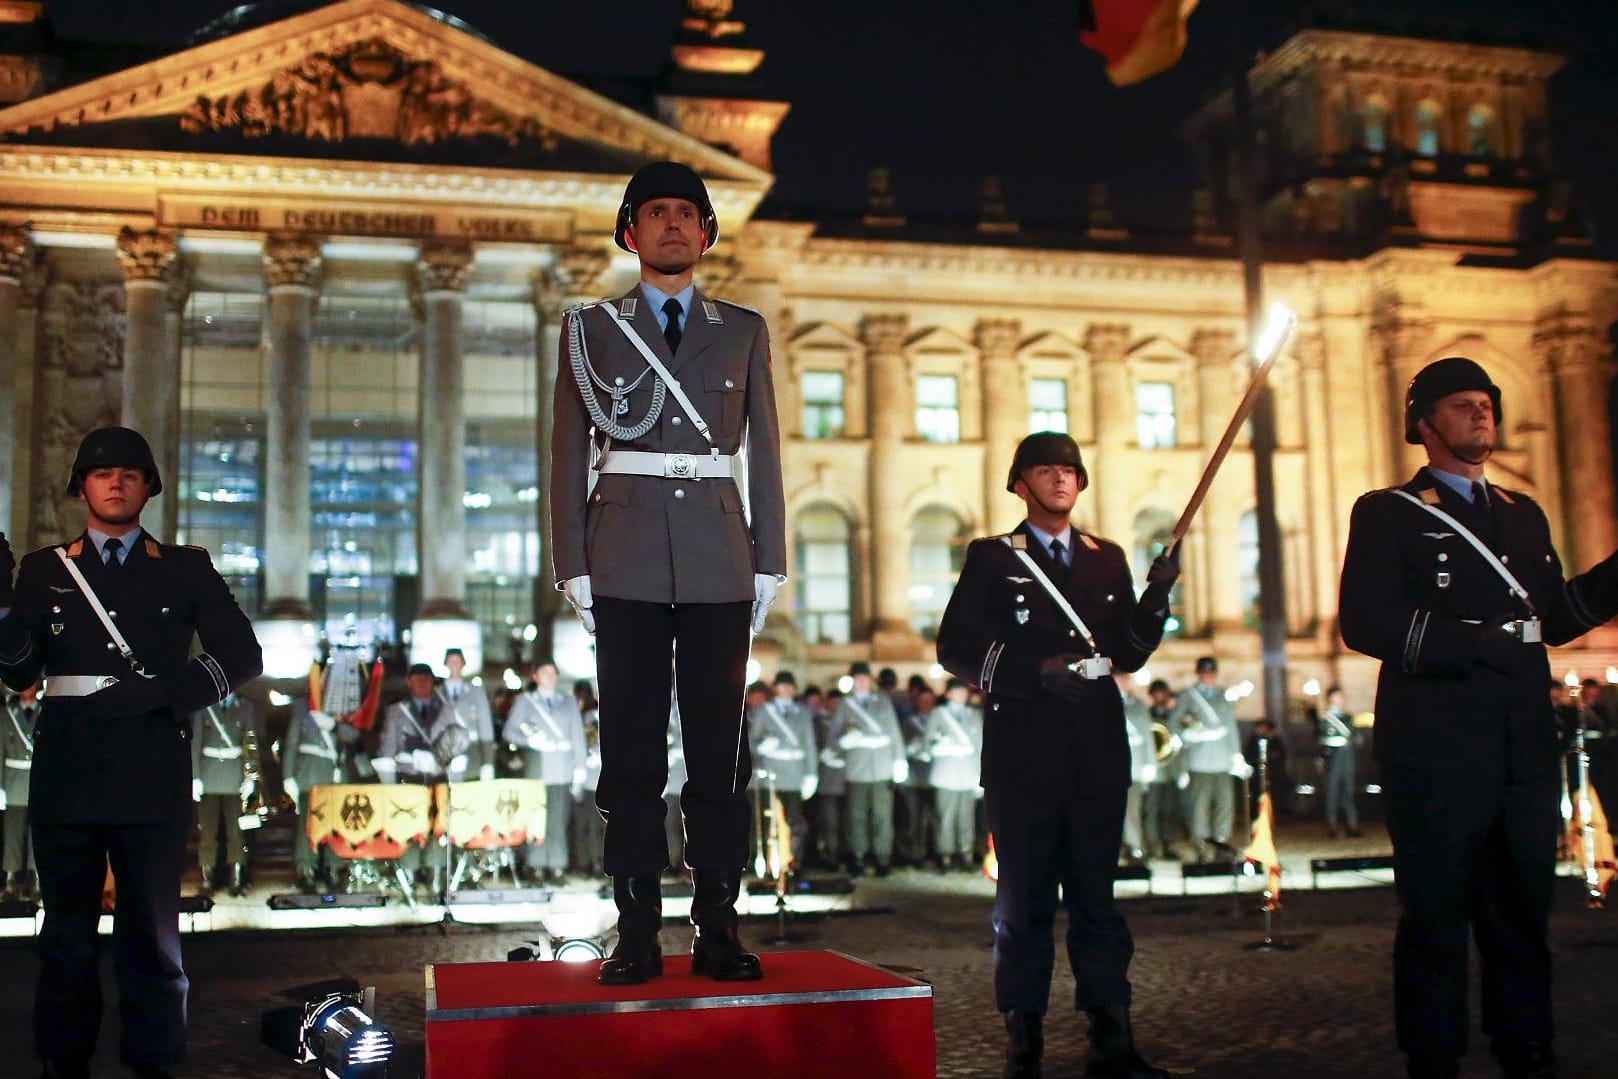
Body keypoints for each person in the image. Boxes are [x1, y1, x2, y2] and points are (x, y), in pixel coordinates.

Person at [1339, 356, 1618, 1079]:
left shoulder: (1524, 514)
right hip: (1435, 747)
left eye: (1487, 403)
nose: (1481, 414)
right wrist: (1476, 641)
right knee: (1435, 916)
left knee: (1522, 913)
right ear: (1425, 424)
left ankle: (1525, 1047)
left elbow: (1555, 616)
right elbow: (1364, 621)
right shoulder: (1389, 511)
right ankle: (1433, 1056)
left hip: (1520, 745)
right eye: (1463, 405)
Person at [551, 160, 785, 985]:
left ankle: (717, 924)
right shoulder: (590, 331)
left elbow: (765, 451)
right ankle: (638, 927)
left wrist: (770, 556)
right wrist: (570, 560)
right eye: (657, 213)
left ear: (708, 232)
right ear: (630, 233)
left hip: (720, 557)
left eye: (688, 213)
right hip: (625, 556)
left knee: (721, 754)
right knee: (632, 753)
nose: (674, 225)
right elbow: (566, 452)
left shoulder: (745, 328)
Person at [0, 426, 262, 1079]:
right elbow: (19, 670)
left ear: (149, 486)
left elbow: (243, 654)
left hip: (150, 768)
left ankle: (155, 1062)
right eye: (100, 472)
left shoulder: (185, 566)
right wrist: (2, 608)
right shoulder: (43, 569)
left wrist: (163, 693)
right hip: (68, 769)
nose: (115, 481)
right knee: (65, 937)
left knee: (152, 940)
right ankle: (66, 1062)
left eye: (129, 472)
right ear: (81, 487)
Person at [936, 431, 1179, 1079]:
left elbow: (1127, 652)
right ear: (1020, 483)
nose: (1061, 478)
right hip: (1023, 754)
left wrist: (1155, 600)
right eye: (1046, 469)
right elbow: (956, 647)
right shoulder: (993, 557)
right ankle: (1025, 1041)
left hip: (1097, 752)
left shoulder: (1107, 557)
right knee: (1023, 903)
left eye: (1070, 469)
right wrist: (1033, 670)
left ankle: (1112, 1037)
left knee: (1099, 902)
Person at [375, 663, 465, 893]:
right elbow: (386, 748)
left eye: (426, 679)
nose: (422, 683)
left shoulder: (447, 709)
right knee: (409, 826)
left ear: (433, 682)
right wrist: (388, 785)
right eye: (417, 679)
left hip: (437, 776)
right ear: (409, 682)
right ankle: (410, 875)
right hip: (409, 777)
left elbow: (456, 742)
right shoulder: (397, 711)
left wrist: (454, 769)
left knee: (438, 826)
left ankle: (435, 874)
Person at [500, 659, 586, 885]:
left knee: (559, 819)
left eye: (553, 672)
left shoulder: (568, 702)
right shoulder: (525, 701)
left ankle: (557, 866)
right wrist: (530, 740)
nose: (550, 676)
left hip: (562, 769)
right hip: (537, 768)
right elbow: (509, 732)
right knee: (536, 818)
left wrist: (580, 767)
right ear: (536, 677)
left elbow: (578, 736)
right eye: (544, 672)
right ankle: (536, 866)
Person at [1167, 657, 1250, 863]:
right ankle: (1201, 845)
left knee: (1224, 805)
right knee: (1200, 807)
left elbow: (1230, 727)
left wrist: (1236, 755)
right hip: (1199, 760)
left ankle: (1221, 842)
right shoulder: (1188, 696)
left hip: (1222, 760)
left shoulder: (1222, 696)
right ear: (1199, 674)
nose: (1209, 678)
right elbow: (1174, 723)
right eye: (1205, 674)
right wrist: (1188, 736)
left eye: (1212, 674)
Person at [833, 661, 905, 876]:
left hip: (882, 769)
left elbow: (894, 732)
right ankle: (858, 856)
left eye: (865, 679)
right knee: (856, 817)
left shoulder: (882, 702)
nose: (862, 682)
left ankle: (882, 858)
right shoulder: (845, 705)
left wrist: (899, 760)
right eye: (858, 679)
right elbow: (833, 737)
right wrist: (844, 741)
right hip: (856, 770)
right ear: (853, 681)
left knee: (882, 817)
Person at [189, 692, 262, 897]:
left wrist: (251, 778)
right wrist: (194, 777)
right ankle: (208, 878)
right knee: (207, 830)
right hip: (208, 775)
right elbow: (195, 744)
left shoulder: (245, 707)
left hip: (235, 776)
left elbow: (251, 744)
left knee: (235, 831)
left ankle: (236, 877)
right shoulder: (204, 706)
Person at [747, 670, 817, 873]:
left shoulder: (802, 713)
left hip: (795, 773)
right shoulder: (763, 711)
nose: (785, 689)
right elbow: (751, 741)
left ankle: (793, 859)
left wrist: (811, 773)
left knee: (794, 821)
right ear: (775, 689)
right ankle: (767, 862)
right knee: (766, 822)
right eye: (782, 685)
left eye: (789, 686)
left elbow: (809, 744)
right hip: (770, 774)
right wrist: (762, 746)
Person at [281, 693, 345, 893]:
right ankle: (306, 869)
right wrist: (288, 775)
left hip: (334, 773)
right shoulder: (303, 704)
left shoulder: (344, 702)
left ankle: (332, 869)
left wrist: (335, 727)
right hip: (308, 773)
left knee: (335, 824)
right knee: (307, 826)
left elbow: (355, 735)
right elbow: (292, 740)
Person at [925, 677, 983, 872]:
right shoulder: (938, 714)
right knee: (945, 818)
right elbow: (928, 742)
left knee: (966, 818)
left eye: (963, 692)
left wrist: (979, 776)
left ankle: (966, 853)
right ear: (948, 694)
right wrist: (943, 747)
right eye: (957, 692)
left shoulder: (974, 715)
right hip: (946, 774)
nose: (961, 695)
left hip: (967, 774)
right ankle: (945, 855)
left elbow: (980, 747)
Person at [2, 680, 40, 900]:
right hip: (14, 784)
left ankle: (35, 879)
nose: (27, 689)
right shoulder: (7, 714)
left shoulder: (45, 712)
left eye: (31, 685)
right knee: (13, 835)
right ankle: (10, 879)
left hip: (36, 786)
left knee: (36, 837)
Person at [1140, 680, 1183, 861]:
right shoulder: (1146, 715)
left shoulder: (1174, 714)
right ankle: (1151, 846)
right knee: (1152, 810)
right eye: (1157, 694)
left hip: (1170, 769)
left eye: (1163, 694)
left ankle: (1167, 845)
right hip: (1155, 771)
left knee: (1168, 810)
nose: (1160, 697)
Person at [442, 647, 496, 782]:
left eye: (457, 661)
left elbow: (485, 727)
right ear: (446, 664)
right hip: (443, 750)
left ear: (463, 664)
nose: (454, 665)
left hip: (470, 751)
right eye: (451, 661)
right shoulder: (436, 692)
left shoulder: (476, 691)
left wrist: (488, 762)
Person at [1117, 675, 1155, 865]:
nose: (1121, 682)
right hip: (1111, 767)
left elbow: (1147, 734)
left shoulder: (1138, 704)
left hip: (1135, 765)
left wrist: (1150, 763)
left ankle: (1134, 846)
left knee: (1133, 810)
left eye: (1124, 678)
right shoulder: (1103, 700)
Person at [1315, 686, 1360, 837]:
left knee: (1348, 790)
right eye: (1337, 696)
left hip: (1347, 755)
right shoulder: (1324, 718)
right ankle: (1332, 825)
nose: (1341, 699)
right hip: (1331, 756)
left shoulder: (1348, 717)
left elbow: (1356, 736)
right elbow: (1319, 739)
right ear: (1330, 698)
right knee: (1332, 791)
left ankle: (1352, 824)